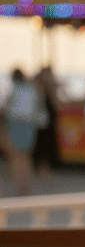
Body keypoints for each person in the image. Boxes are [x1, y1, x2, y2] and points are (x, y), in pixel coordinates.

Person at [3, 67, 43, 195]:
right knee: (26, 156)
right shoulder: (31, 88)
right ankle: (27, 186)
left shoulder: (15, 88)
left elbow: (8, 105)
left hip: (16, 123)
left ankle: (20, 186)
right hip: (29, 124)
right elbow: (37, 105)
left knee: (17, 157)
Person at [32, 66, 62, 181]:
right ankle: (41, 168)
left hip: (48, 123)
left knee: (46, 145)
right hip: (41, 123)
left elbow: (56, 105)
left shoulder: (49, 89)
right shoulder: (38, 87)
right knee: (41, 145)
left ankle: (44, 168)